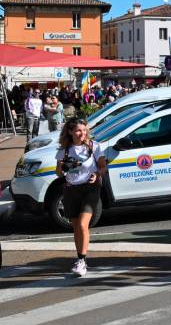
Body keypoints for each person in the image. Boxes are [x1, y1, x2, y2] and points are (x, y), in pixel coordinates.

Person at [55, 118, 107, 277]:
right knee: (76, 226)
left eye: (84, 130)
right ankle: (79, 258)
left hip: (90, 189)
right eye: (78, 130)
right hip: (71, 190)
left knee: (83, 225)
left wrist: (97, 174)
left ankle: (82, 261)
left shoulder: (94, 146)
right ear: (70, 132)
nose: (82, 133)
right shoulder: (64, 150)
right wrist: (65, 167)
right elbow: (58, 173)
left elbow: (103, 167)